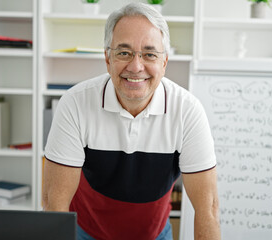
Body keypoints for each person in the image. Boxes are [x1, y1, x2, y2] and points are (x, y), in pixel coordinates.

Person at [42, 2, 220, 240]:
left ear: (164, 62)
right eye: (124, 53)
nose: (136, 67)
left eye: (149, 54)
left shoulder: (187, 111)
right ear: (107, 58)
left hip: (155, 234)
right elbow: (54, 205)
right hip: (86, 233)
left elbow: (207, 209)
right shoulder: (75, 104)